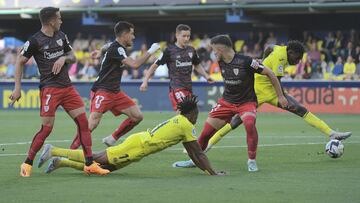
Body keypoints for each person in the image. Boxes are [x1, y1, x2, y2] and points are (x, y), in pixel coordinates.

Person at [9, 7, 109, 177]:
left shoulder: (61, 36)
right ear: (51, 21)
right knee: (47, 129)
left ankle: (89, 164)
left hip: (67, 88)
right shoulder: (35, 41)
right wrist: (17, 88)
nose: (61, 21)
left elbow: (73, 57)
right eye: (59, 19)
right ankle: (27, 163)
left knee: (83, 124)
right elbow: (20, 61)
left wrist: (63, 58)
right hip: (50, 89)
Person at [174, 35, 288, 172]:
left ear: (221, 49)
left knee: (249, 123)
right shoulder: (220, 61)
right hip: (226, 102)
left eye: (214, 50)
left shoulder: (246, 61)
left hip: (246, 103)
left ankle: (251, 161)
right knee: (205, 134)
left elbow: (271, 73)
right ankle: (194, 160)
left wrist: (280, 96)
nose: (213, 53)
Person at [38, 96, 225, 176]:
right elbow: (198, 153)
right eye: (197, 114)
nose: (197, 117)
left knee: (104, 169)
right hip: (137, 147)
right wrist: (213, 173)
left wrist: (207, 171)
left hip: (139, 144)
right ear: (192, 113)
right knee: (97, 158)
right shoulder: (186, 124)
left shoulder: (180, 120)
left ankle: (60, 162)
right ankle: (53, 150)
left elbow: (194, 153)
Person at [69, 21, 160, 148]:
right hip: (102, 90)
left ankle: (112, 138)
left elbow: (107, 45)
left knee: (137, 116)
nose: (134, 37)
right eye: (132, 34)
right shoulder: (117, 48)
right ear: (125, 34)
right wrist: (151, 50)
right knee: (91, 124)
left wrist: (100, 51)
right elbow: (135, 65)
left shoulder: (115, 46)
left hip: (115, 92)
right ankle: (69, 152)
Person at [139, 24, 214, 112]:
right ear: (177, 35)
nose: (186, 39)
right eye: (184, 36)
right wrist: (145, 81)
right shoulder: (169, 51)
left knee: (191, 115)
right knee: (185, 112)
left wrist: (206, 76)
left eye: (188, 36)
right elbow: (154, 66)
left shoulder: (191, 50)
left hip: (188, 88)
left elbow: (197, 65)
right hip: (176, 88)